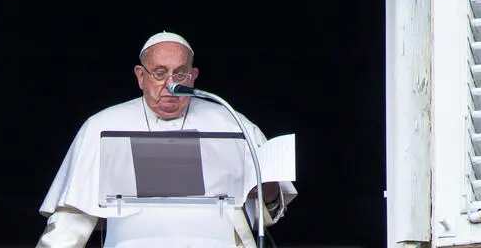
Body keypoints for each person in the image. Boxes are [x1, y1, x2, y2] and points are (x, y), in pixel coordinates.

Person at [36, 31, 297, 248]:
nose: (171, 85)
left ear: (193, 76)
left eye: (180, 74)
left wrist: (268, 190)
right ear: (141, 76)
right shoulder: (102, 126)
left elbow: (268, 209)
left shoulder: (231, 121)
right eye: (160, 73)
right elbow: (72, 218)